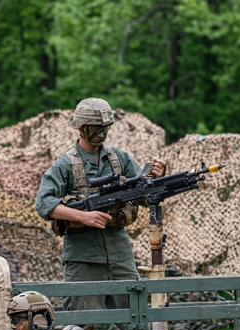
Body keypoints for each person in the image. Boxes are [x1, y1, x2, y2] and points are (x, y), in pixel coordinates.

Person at [34, 97, 167, 318]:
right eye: (96, 128)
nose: (102, 133)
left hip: (120, 255)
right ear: (82, 127)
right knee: (82, 324)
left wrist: (156, 179)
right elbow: (44, 203)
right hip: (83, 258)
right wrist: (82, 216)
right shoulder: (65, 164)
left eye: (105, 128)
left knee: (135, 319)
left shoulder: (119, 158)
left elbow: (146, 196)